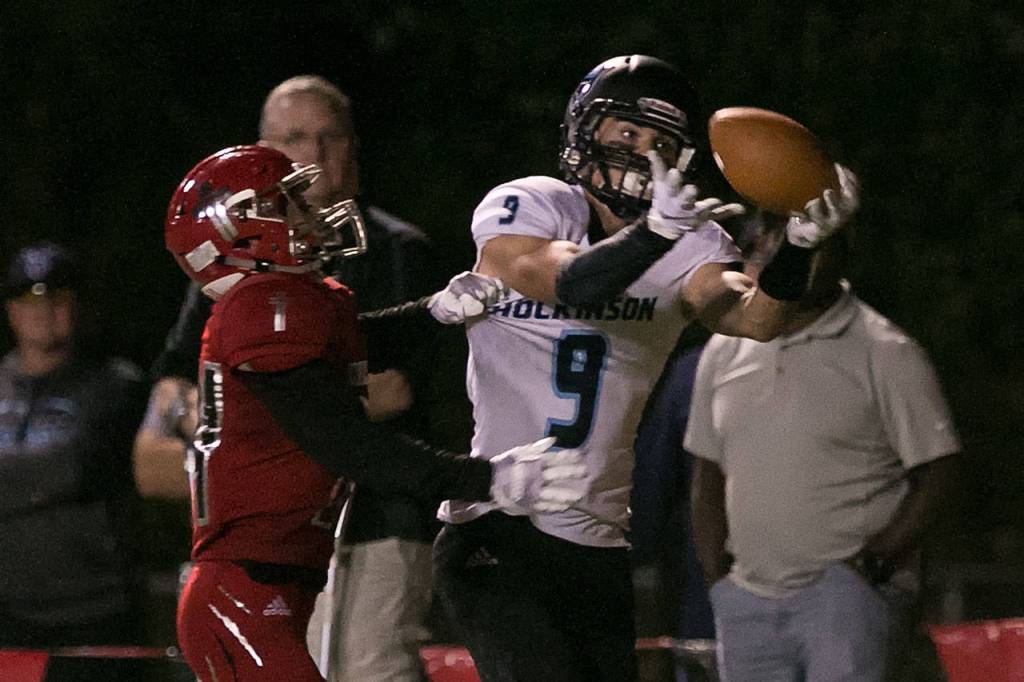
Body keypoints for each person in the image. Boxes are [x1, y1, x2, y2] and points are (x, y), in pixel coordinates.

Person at [432, 54, 860, 682]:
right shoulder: (534, 205)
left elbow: (756, 317)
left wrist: (798, 247)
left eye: (660, 141)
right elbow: (563, 281)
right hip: (502, 525)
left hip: (599, 543)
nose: (641, 152)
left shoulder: (689, 241)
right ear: (585, 130)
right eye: (626, 132)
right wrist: (653, 236)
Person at [164, 143, 585, 682]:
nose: (308, 211)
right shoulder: (258, 310)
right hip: (240, 593)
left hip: (271, 585)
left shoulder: (294, 301)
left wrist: (432, 314)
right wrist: (481, 478)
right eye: (286, 202)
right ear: (242, 226)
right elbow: (342, 439)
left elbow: (358, 343)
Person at [132, 74, 446, 681]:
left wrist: (241, 408)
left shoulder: (395, 250)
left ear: (353, 146)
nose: (316, 156)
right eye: (296, 138)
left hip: (370, 520)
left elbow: (390, 391)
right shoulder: (246, 266)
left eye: (330, 137)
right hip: (265, 540)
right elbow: (170, 393)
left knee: (372, 669)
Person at [686, 216, 961, 681]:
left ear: (838, 253)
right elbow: (707, 468)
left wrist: (873, 563)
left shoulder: (884, 349)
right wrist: (718, 579)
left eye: (804, 248)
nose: (783, 264)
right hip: (748, 595)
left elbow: (940, 467)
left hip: (844, 595)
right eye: (764, 250)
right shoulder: (725, 348)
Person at [0, 242, 149, 648]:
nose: (43, 310)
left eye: (59, 298)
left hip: (94, 610)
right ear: (12, 311)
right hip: (9, 613)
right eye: (28, 299)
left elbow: (74, 466)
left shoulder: (116, 384)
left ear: (78, 307)